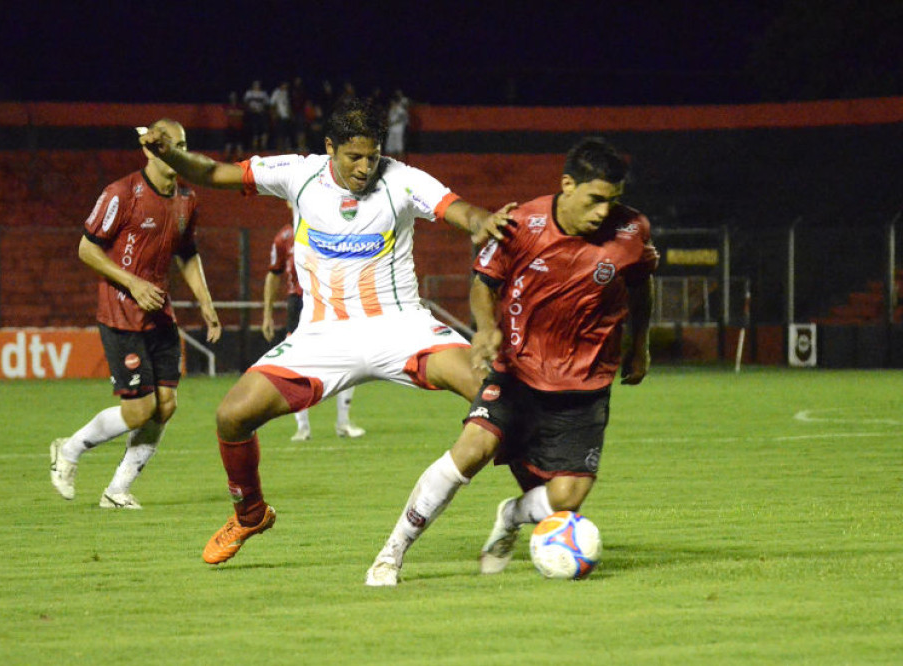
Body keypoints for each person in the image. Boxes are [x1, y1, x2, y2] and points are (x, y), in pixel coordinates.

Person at [138, 96, 513, 564]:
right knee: (231, 416)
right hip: (322, 336)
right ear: (330, 147)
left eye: (372, 156)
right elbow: (214, 174)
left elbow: (460, 210)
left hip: (401, 327)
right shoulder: (299, 174)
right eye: (354, 156)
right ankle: (250, 513)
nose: (364, 167)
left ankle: (533, 507)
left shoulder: (401, 179)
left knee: (495, 394)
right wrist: (170, 155)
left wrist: (483, 221)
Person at [365, 137, 658, 585]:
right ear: (567, 185)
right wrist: (485, 328)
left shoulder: (632, 231)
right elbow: (484, 282)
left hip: (585, 386)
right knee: (471, 451)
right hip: (517, 371)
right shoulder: (522, 223)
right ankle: (391, 553)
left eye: (612, 201)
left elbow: (640, 285)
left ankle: (510, 516)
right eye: (595, 199)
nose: (604, 212)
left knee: (566, 499)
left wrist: (639, 345)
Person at [49, 118, 222, 509]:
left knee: (166, 405)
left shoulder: (187, 199)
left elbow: (187, 253)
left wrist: (206, 303)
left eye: (182, 145)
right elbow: (86, 249)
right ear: (149, 150)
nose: (176, 153)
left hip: (159, 312)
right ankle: (69, 449)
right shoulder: (121, 193)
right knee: (139, 409)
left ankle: (117, 490)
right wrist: (133, 283)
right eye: (168, 146)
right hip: (120, 313)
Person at [262, 211, 365, 440]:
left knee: (346, 359)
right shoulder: (285, 237)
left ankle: (343, 422)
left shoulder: (332, 228)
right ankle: (302, 427)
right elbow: (274, 274)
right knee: (298, 364)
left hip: (330, 300)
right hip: (298, 303)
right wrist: (267, 314)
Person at [243, 80, 271, 151]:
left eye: (258, 84)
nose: (256, 86)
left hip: (261, 114)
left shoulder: (263, 94)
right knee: (254, 132)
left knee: (264, 131)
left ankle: (263, 147)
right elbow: (245, 104)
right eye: (255, 85)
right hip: (252, 115)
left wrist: (262, 110)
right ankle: (254, 147)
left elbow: (267, 104)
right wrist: (251, 109)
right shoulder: (249, 93)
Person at [386, 90, 409, 157]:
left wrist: (393, 123)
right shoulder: (391, 110)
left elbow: (402, 118)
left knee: (399, 145)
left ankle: (401, 162)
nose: (391, 103)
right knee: (390, 147)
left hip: (398, 129)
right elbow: (389, 118)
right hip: (391, 129)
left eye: (392, 102)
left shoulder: (400, 109)